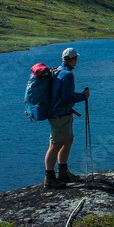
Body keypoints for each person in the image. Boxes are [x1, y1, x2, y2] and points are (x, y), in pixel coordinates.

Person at [43, 47, 90, 189]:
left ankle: (62, 171)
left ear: (63, 59)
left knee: (68, 140)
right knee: (56, 144)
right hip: (60, 115)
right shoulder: (68, 75)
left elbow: (63, 94)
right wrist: (84, 96)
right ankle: (49, 178)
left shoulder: (57, 71)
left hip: (58, 114)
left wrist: (79, 95)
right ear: (75, 59)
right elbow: (68, 98)